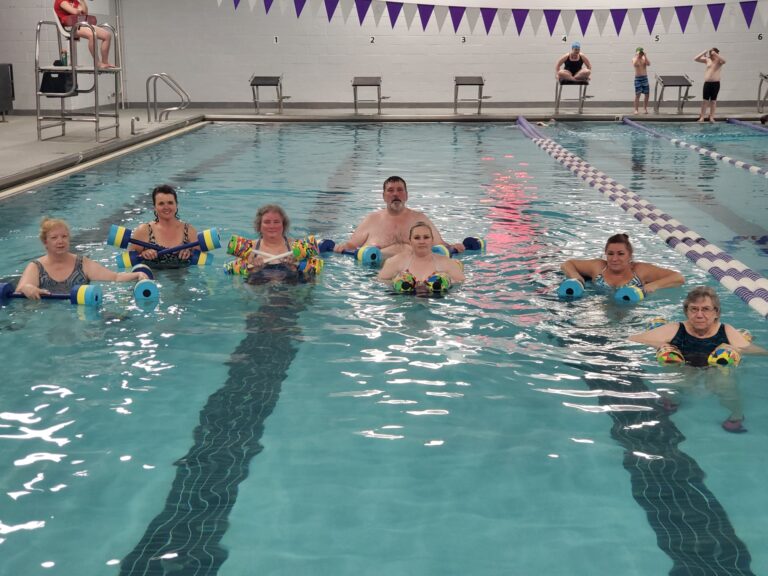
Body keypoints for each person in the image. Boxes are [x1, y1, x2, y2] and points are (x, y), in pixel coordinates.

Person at [629, 286, 767, 432]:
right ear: (686, 311)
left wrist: (737, 349)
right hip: (685, 365)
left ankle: (737, 415)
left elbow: (760, 351)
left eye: (706, 309)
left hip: (715, 367)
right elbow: (634, 339)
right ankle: (672, 400)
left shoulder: (725, 331)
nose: (699, 315)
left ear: (716, 313)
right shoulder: (676, 329)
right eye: (694, 309)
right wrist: (660, 345)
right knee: (679, 380)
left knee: (724, 385)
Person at [334, 176, 465, 259]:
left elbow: (440, 246)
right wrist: (342, 247)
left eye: (400, 190)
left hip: (414, 271)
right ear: (384, 196)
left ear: (406, 195)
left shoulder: (420, 219)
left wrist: (454, 247)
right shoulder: (372, 220)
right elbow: (351, 245)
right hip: (378, 274)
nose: (395, 194)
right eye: (390, 190)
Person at [15, 217, 147, 300]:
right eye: (54, 238)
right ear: (45, 242)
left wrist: (138, 274)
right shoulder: (36, 267)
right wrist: (27, 288)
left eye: (64, 236)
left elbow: (115, 277)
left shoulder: (82, 263)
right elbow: (20, 289)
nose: (60, 241)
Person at [560, 233, 684, 295]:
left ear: (629, 255)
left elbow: (678, 278)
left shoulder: (640, 270)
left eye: (620, 254)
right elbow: (568, 263)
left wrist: (654, 285)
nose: (614, 259)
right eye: (610, 254)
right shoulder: (599, 267)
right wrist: (576, 277)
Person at [378, 221, 465, 293]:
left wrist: (447, 282)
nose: (422, 241)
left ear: (432, 240)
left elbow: (462, 285)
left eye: (426, 237)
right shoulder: (396, 262)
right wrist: (396, 283)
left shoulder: (447, 263)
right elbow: (380, 282)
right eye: (417, 238)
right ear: (410, 241)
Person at [129, 185, 199, 268]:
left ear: (176, 205)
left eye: (170, 203)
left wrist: (190, 253)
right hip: (152, 276)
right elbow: (129, 261)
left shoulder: (189, 231)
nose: (166, 207)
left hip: (182, 276)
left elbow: (201, 259)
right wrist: (142, 255)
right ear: (154, 207)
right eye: (161, 203)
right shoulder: (144, 231)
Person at [54, 0, 114, 69]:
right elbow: (74, 12)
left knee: (107, 35)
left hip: (80, 24)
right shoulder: (60, 1)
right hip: (70, 26)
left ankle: (105, 62)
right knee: (92, 34)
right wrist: (79, 10)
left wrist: (82, 1)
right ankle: (97, 63)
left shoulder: (74, 1)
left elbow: (85, 13)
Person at [694, 47, 726, 122]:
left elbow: (725, 61)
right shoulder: (707, 60)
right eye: (711, 53)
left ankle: (711, 116)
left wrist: (716, 54)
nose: (712, 55)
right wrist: (703, 52)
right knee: (705, 101)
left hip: (716, 83)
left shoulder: (719, 61)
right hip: (707, 83)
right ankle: (702, 116)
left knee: (713, 101)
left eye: (713, 53)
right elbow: (695, 58)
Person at [632, 47, 651, 114]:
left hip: (645, 78)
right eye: (640, 52)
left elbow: (648, 64)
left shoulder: (644, 59)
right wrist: (637, 56)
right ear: (637, 53)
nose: (641, 54)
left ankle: (645, 108)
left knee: (647, 94)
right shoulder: (634, 58)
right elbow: (634, 64)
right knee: (638, 94)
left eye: (641, 52)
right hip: (638, 79)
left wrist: (645, 56)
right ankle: (636, 110)